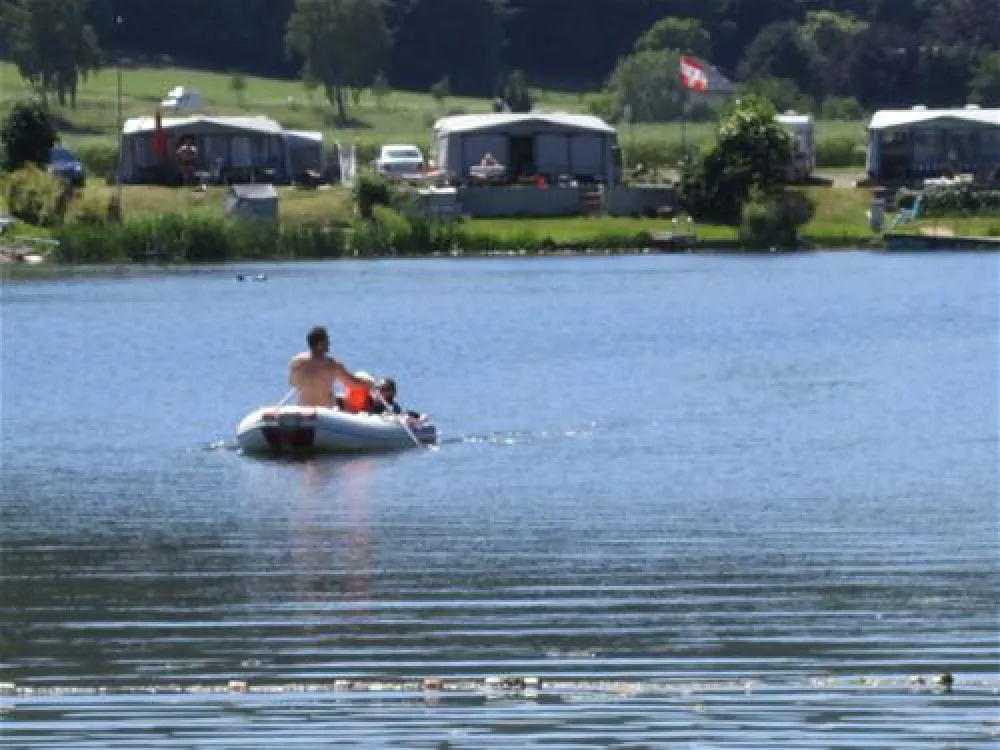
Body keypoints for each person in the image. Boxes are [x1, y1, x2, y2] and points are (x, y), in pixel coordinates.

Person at [288, 326, 373, 409]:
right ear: (320, 344)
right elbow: (352, 383)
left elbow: (292, 382)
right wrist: (369, 383)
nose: (329, 343)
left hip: (303, 409)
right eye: (327, 340)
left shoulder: (296, 362)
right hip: (325, 412)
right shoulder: (332, 365)